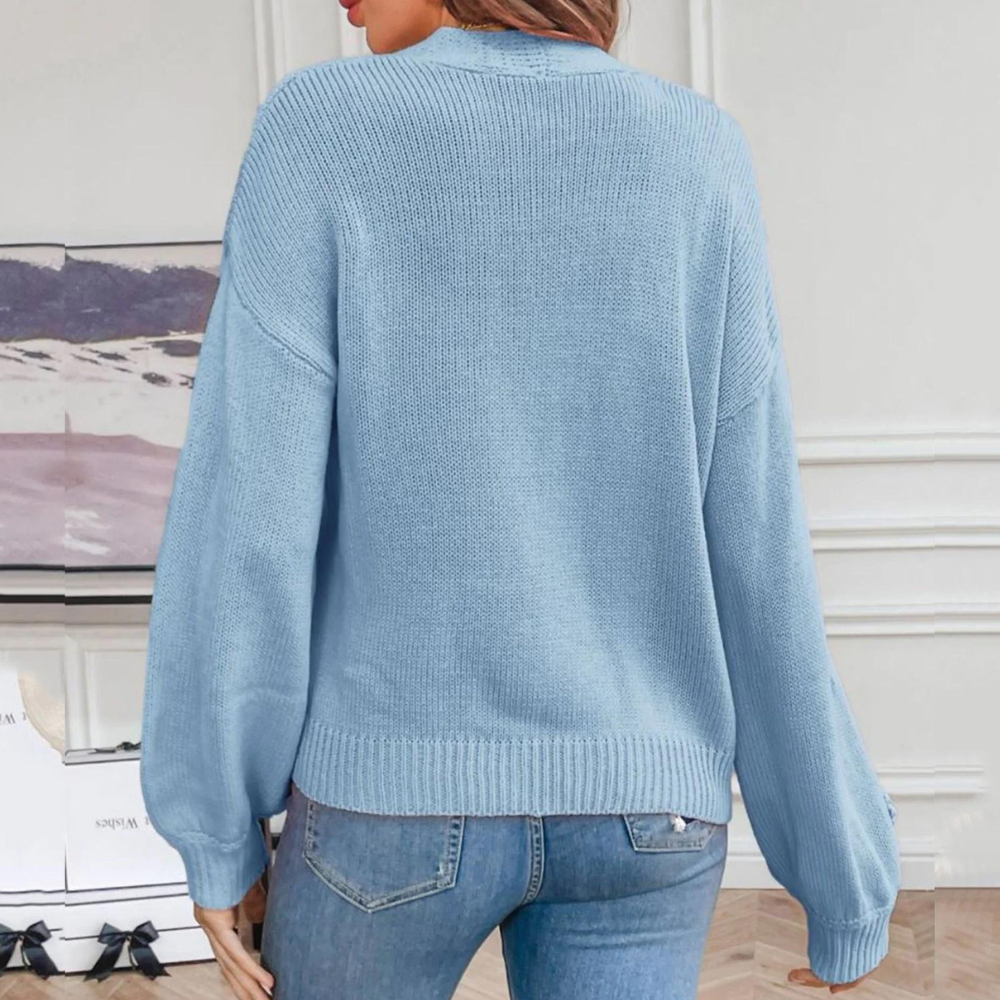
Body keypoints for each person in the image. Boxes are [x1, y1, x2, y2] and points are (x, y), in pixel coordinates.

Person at [138, 2, 900, 998]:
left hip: (388, 804)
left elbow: (249, 515)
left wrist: (216, 831)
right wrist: (842, 877)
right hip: (647, 816)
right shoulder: (699, 150)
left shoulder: (320, 128)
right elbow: (758, 545)